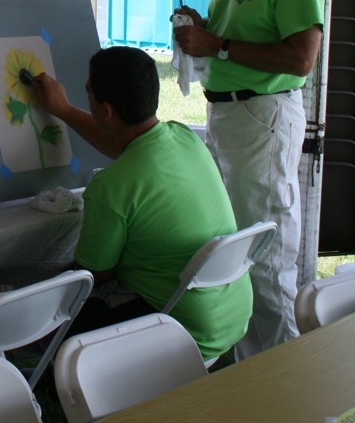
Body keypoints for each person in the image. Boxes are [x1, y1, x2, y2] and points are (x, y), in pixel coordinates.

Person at [173, 0, 327, 357]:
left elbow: (300, 59)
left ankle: (282, 376)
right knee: (236, 250)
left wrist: (216, 44)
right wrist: (202, 31)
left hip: (262, 115)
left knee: (264, 258)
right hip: (232, 114)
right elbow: (238, 31)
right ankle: (247, 373)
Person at [29, 46, 252, 361]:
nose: (86, 97)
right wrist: (64, 110)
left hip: (182, 331)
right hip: (229, 315)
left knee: (54, 309)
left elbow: (92, 276)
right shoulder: (183, 138)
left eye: (88, 93)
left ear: (106, 110)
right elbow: (125, 147)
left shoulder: (111, 187)